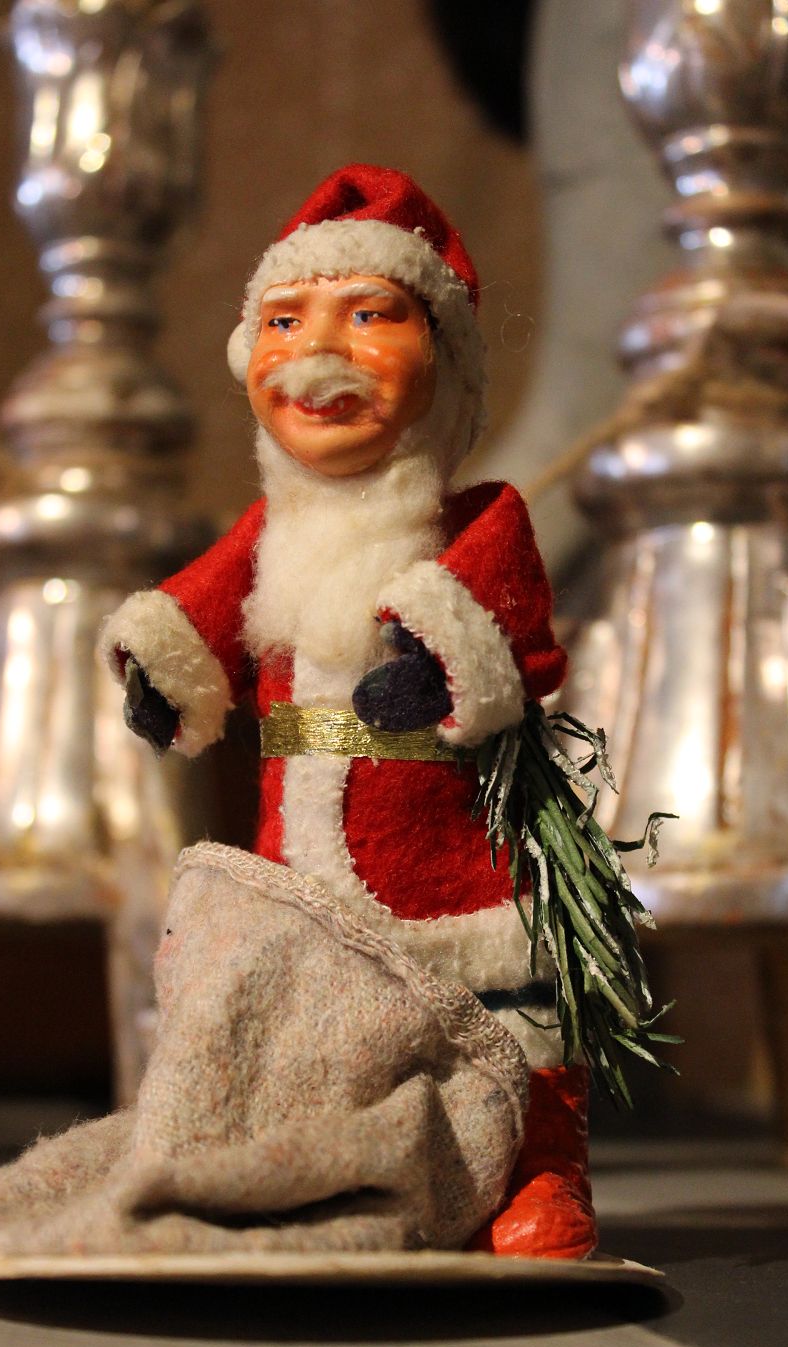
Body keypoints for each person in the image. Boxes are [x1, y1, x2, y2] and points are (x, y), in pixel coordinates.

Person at [100, 164, 597, 1260]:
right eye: (285, 321)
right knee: (311, 1027)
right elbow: (195, 623)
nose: (318, 351)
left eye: (370, 317)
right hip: (299, 860)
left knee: (503, 1011)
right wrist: (164, 678)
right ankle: (331, 1173)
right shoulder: (267, 537)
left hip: (447, 862)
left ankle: (538, 1171)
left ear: (444, 363)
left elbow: (512, 641)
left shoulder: (482, 521)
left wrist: (444, 668)